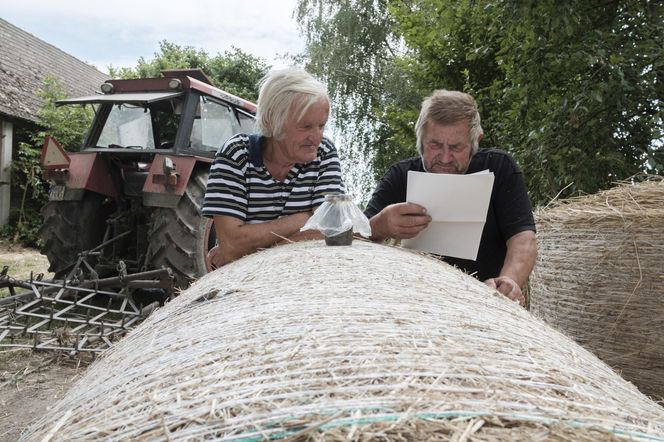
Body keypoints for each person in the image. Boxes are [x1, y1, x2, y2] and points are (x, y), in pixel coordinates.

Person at [364, 90, 537, 306]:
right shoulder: (400, 176)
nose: (445, 158)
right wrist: (381, 225)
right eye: (434, 145)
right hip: (417, 302)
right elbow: (356, 236)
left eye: (456, 147)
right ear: (419, 140)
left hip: (486, 300)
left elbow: (523, 239)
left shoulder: (500, 168)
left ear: (476, 141)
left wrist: (508, 282)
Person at [202, 68, 345, 267]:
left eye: (321, 126)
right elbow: (233, 244)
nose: (316, 137)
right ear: (271, 120)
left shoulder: (324, 153)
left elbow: (331, 230)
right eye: (305, 127)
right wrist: (306, 218)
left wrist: (250, 247)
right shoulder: (236, 155)